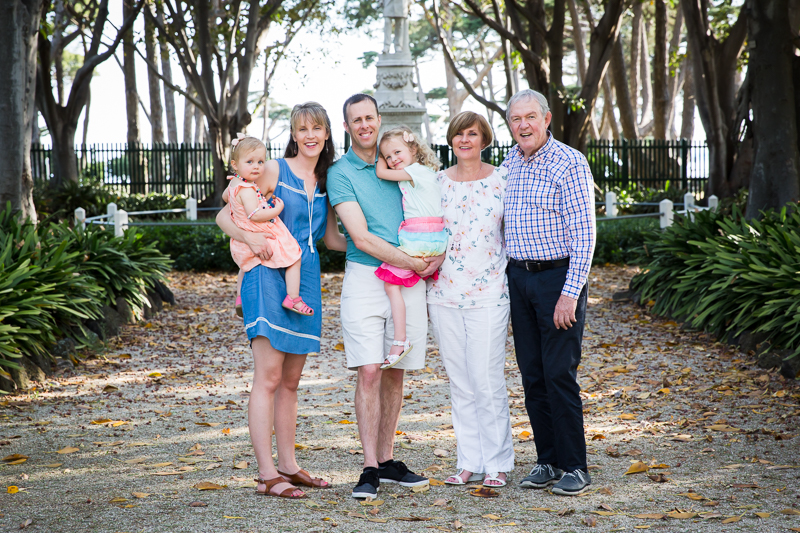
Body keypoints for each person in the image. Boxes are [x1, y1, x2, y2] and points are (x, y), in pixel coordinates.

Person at [215, 102, 347, 499]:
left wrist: (375, 246)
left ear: (326, 134)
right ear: (293, 133)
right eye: (302, 128)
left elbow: (331, 238)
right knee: (268, 378)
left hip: (305, 276)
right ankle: (267, 474)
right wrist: (249, 238)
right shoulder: (273, 169)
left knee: (290, 382)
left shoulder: (327, 178)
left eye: (317, 128)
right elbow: (225, 216)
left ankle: (288, 466)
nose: (310, 135)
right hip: (266, 271)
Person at [326, 94, 441, 499]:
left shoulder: (400, 162)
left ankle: (389, 460)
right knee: (370, 370)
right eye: (355, 120)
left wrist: (430, 257)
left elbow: (437, 213)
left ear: (379, 119)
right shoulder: (340, 172)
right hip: (366, 276)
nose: (363, 125)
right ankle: (369, 466)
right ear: (347, 127)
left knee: (397, 370)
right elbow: (359, 236)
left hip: (411, 275)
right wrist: (410, 261)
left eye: (369, 117)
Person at [502, 89, 596, 496]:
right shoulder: (509, 163)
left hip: (557, 279)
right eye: (515, 119)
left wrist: (570, 293)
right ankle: (547, 461)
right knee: (532, 374)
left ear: (547, 119)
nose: (523, 125)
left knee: (559, 373)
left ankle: (575, 466)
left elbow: (586, 233)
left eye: (530, 117)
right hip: (518, 279)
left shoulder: (569, 162)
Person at [426, 111, 514, 489]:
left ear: (484, 139)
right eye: (459, 134)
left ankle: (497, 463)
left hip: (490, 293)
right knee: (459, 381)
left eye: (472, 134)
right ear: (451, 139)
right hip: (443, 294)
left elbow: (516, 231)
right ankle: (468, 461)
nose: (465, 140)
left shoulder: (502, 180)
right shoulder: (436, 183)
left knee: (486, 379)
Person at [374, 127, 448, 370]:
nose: (393, 159)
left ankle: (400, 339)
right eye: (388, 156)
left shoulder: (414, 172)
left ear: (413, 149)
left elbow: (380, 173)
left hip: (420, 236)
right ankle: (403, 337)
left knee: (390, 284)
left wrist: (377, 160)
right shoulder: (426, 173)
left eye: (397, 152)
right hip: (433, 235)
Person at [225, 134, 313, 317]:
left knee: (245, 265)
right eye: (249, 162)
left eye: (260, 161)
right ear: (235, 165)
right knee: (295, 255)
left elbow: (229, 199)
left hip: (242, 235)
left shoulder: (235, 183)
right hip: (259, 230)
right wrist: (277, 209)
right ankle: (293, 297)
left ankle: (240, 297)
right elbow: (255, 215)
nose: (256, 166)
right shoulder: (247, 189)